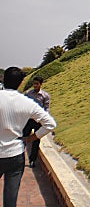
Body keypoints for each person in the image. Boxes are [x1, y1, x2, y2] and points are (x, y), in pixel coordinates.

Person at [0, 67, 56, 207]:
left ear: (3, 80)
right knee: (10, 198)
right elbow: (50, 124)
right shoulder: (27, 102)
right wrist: (32, 138)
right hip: (15, 154)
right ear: (20, 82)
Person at [23, 76, 50, 168]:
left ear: (41, 84)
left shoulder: (45, 96)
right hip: (29, 120)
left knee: (36, 141)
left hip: (39, 121)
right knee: (23, 138)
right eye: (34, 84)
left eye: (37, 84)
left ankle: (32, 160)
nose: (35, 85)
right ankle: (18, 158)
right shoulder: (28, 94)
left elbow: (46, 109)